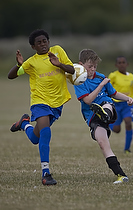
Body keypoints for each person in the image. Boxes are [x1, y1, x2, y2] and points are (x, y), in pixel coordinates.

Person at [8, 29, 75, 186]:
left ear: (49, 41)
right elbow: (11, 76)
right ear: (33, 47)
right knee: (46, 132)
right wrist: (18, 64)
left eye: (45, 41)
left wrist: (59, 64)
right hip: (39, 101)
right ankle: (46, 173)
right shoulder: (31, 62)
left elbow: (71, 70)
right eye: (39, 42)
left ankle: (24, 124)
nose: (43, 44)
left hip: (57, 103)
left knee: (35, 138)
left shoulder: (58, 51)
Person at [74, 49, 133, 184]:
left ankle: (105, 114)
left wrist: (127, 98)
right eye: (90, 67)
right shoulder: (79, 81)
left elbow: (113, 93)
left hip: (108, 107)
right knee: (103, 144)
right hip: (92, 116)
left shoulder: (100, 77)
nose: (93, 69)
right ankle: (121, 175)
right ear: (81, 64)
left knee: (106, 104)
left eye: (95, 66)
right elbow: (88, 101)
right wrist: (101, 85)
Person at [108, 56, 133, 153]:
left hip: (128, 104)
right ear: (116, 65)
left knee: (128, 122)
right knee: (117, 130)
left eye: (123, 62)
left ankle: (127, 149)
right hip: (116, 104)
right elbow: (107, 86)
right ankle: (108, 123)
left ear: (127, 64)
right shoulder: (113, 76)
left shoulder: (132, 78)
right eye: (119, 63)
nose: (122, 64)